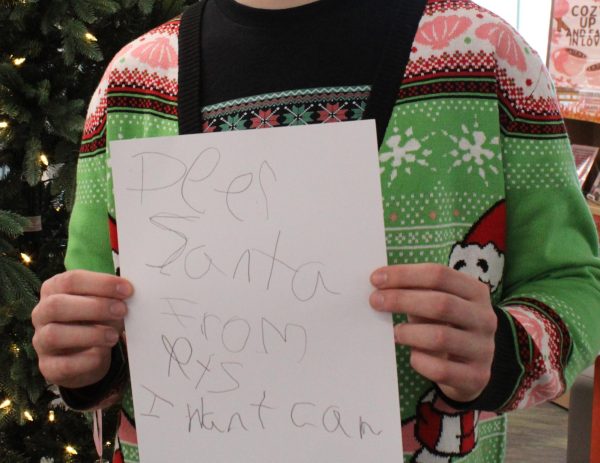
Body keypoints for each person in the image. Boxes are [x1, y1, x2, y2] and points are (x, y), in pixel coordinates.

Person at [31, 0, 600, 462]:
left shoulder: (484, 56)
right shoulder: (135, 80)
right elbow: (92, 315)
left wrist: (503, 352)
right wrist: (81, 358)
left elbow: (577, 282)